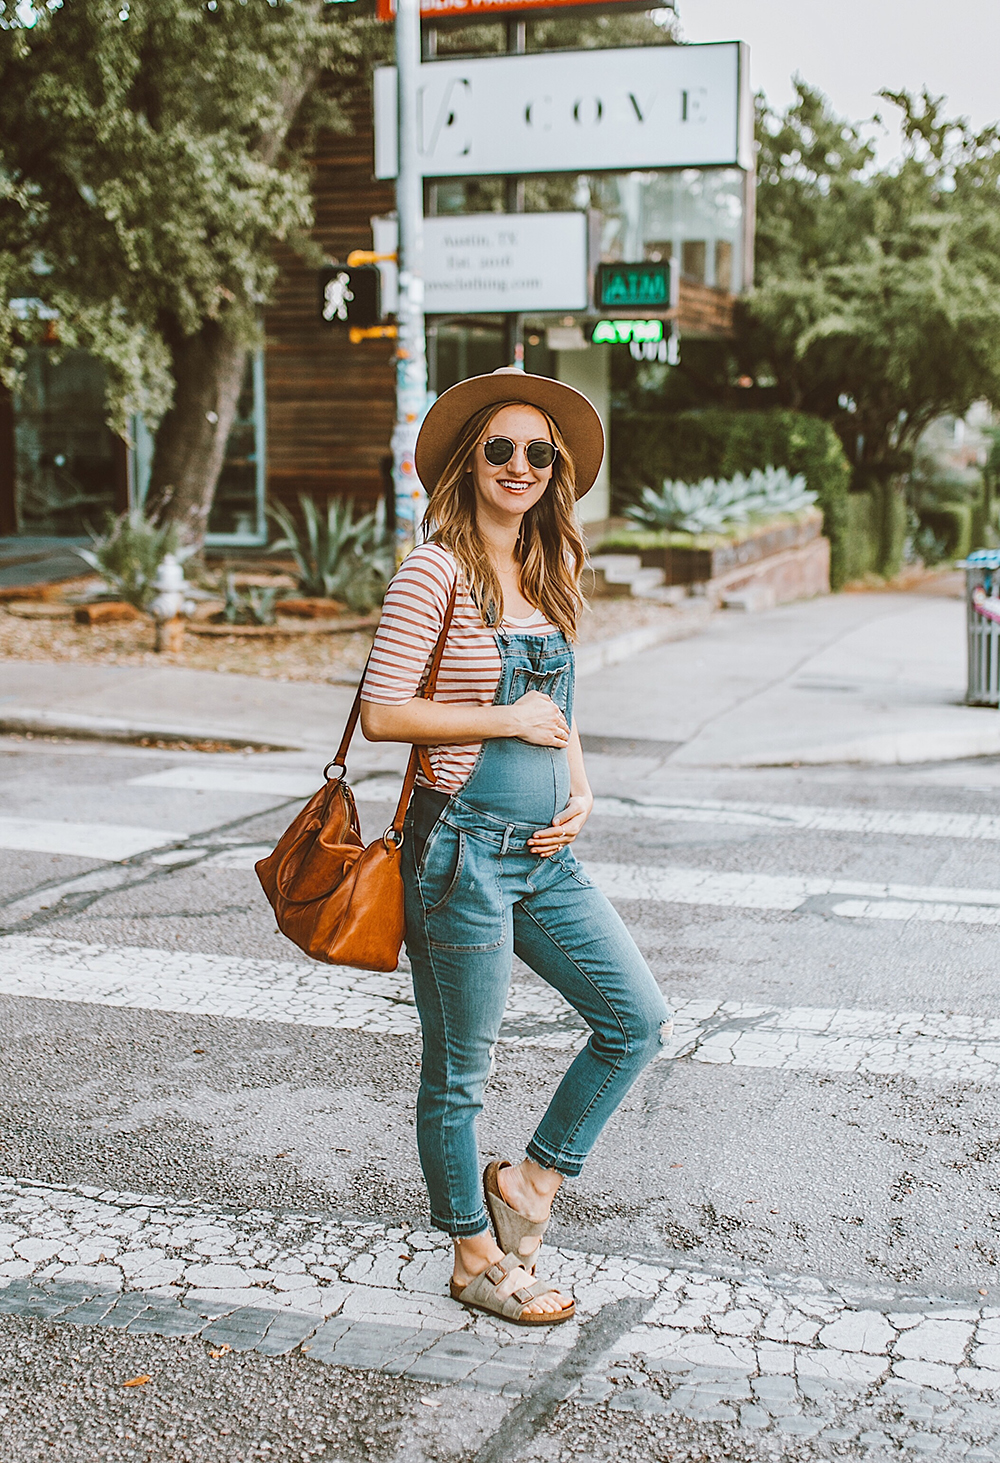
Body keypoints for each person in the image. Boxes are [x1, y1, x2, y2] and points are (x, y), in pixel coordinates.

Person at [360, 368, 671, 1327]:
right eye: (501, 448)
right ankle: (472, 1254)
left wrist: (580, 788)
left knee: (636, 1021)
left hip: (547, 853)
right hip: (459, 849)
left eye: (540, 452)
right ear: (469, 461)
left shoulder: (548, 570)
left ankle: (531, 1181)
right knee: (459, 1071)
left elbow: (561, 713)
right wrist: (505, 716)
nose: (521, 465)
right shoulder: (435, 571)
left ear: (557, 470)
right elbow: (382, 713)